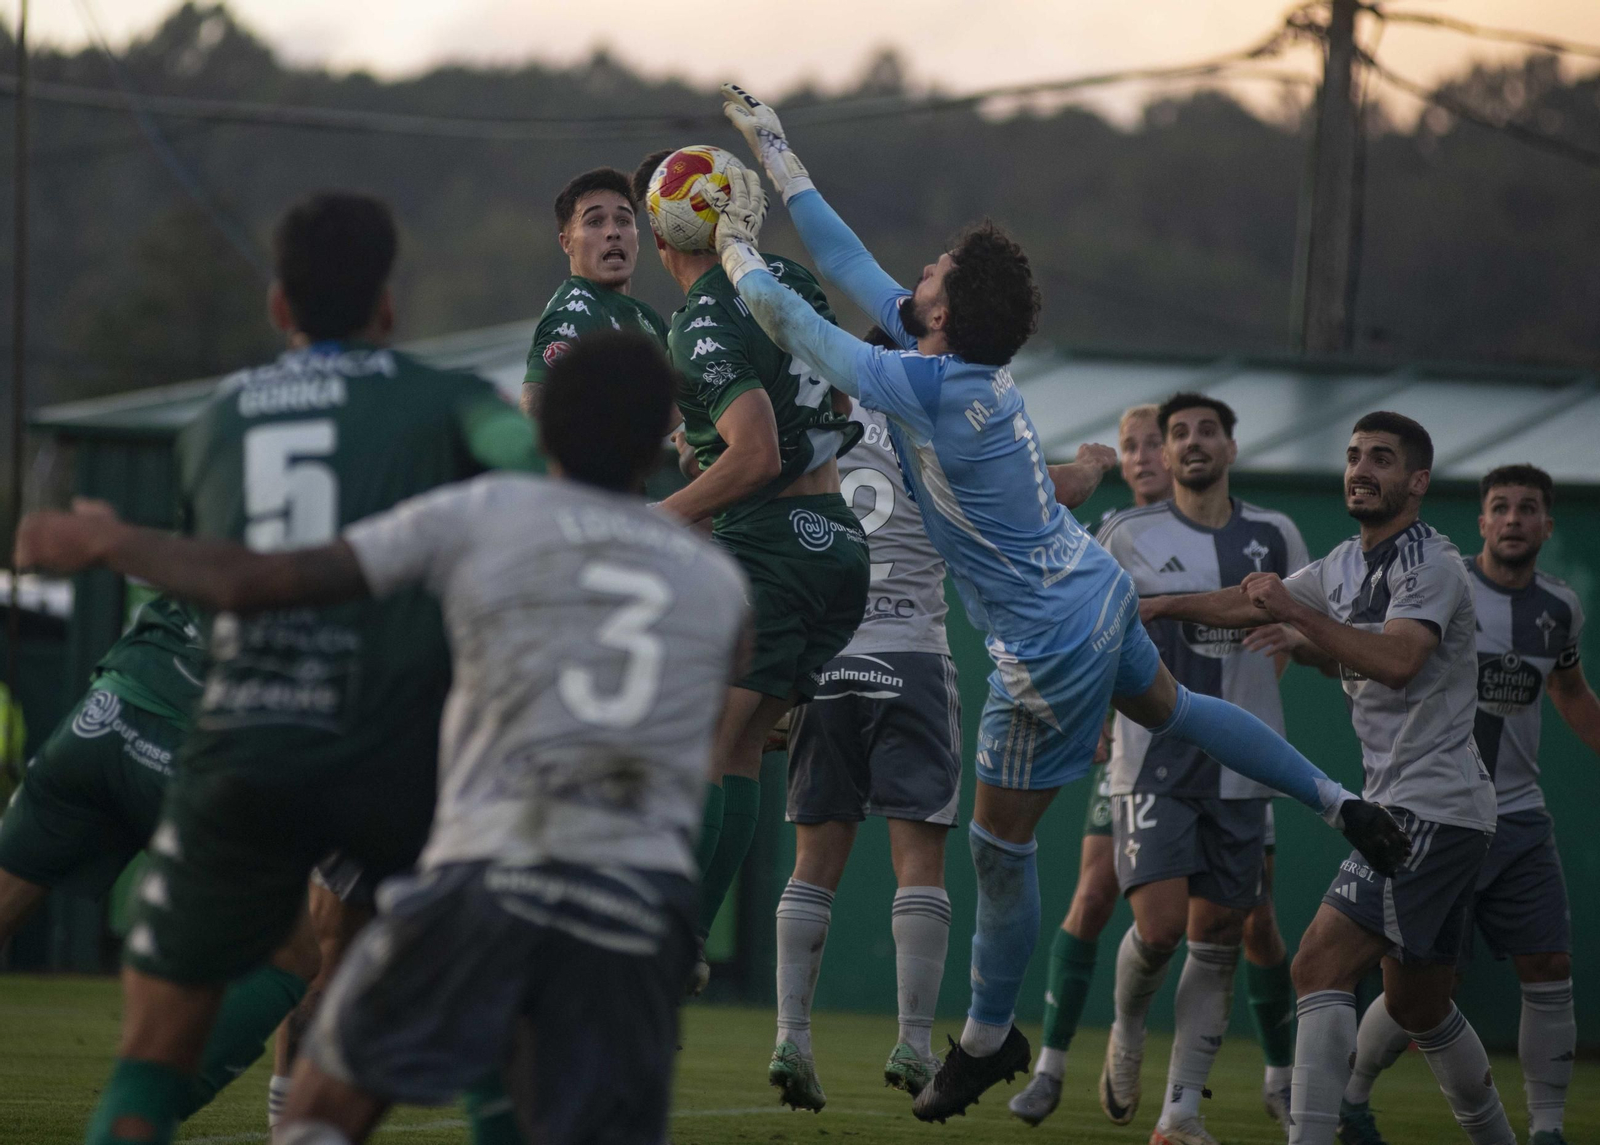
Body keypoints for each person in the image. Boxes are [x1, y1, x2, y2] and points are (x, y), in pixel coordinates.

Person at [710, 84, 1410, 1123]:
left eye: (932, 274)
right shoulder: (964, 365)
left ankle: (989, 1037)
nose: (915, 279)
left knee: (997, 847)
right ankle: (1335, 799)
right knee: (1170, 707)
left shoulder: (932, 386)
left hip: (1044, 642)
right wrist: (780, 161)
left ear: (941, 313)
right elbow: (852, 264)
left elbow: (796, 326)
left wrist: (730, 249)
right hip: (1095, 591)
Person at [18, 332, 745, 1145]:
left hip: (490, 873)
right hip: (635, 910)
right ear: (658, 445)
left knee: (324, 1106)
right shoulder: (715, 584)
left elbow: (265, 579)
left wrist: (112, 541)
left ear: (545, 426)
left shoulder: (487, 513)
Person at [45, 191, 540, 1145]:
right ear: (387, 305)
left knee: (153, 1054)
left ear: (279, 305)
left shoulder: (216, 421)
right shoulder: (450, 402)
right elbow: (541, 477)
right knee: (495, 1020)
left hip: (243, 746)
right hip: (391, 752)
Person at [1143, 412, 1515, 1145]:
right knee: (1421, 1007)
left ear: (1417, 481)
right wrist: (1153, 604)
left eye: (1381, 457)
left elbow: (1399, 660)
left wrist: (1292, 612)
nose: (1359, 469)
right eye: (1352, 456)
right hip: (1433, 811)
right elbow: (1247, 597)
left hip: (1427, 812)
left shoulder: (1432, 566)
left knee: (1315, 961)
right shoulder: (1346, 563)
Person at [633, 145, 870, 989]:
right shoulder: (793, 283)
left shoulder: (697, 320)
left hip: (768, 545)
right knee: (731, 747)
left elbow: (755, 452)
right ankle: (684, 939)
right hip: (835, 537)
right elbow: (836, 400)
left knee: (702, 739)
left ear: (662, 236)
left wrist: (658, 520)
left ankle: (672, 939)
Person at [1337, 464, 1598, 1145]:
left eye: (1529, 508)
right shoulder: (1439, 584)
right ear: (1481, 521)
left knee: (1550, 964)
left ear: (1546, 523)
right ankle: (1351, 1095)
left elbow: (1570, 690)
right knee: (1423, 981)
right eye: (1501, 507)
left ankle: (1546, 1129)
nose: (1514, 518)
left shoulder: (1559, 607)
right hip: (1437, 811)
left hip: (1520, 815)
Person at [0, 596, 320, 1126]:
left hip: (102, 714)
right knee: (291, 953)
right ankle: (137, 1120)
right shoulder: (353, 555)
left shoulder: (223, 517)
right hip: (190, 749)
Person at [1092, 393, 1311, 1145]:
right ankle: (1126, 1027)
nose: (1190, 443)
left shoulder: (1275, 534)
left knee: (1220, 928)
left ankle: (1180, 1110)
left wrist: (1292, 631)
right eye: (1178, 433)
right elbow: (1089, 629)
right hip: (1153, 757)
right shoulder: (1125, 531)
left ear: (1231, 447)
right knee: (1157, 927)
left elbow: (1311, 630)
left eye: (1205, 431)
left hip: (1242, 767)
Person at [1011, 402, 1171, 1125]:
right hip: (1135, 752)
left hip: (1209, 747)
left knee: (1248, 919)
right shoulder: (1112, 534)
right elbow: (1087, 628)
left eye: (1152, 444)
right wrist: (1098, 715)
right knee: (1094, 893)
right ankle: (1050, 1067)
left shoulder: (1250, 535)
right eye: (1130, 446)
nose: (1140, 457)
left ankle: (1281, 1074)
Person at [521, 166, 669, 417]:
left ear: (637, 236)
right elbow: (534, 417)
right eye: (594, 222)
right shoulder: (574, 314)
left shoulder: (648, 317)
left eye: (624, 221)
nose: (613, 233)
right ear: (566, 243)